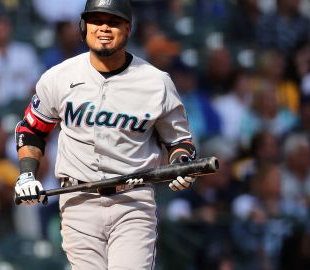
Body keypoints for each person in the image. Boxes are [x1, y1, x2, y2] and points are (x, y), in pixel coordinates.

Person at [13, 1, 197, 269]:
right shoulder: (60, 77)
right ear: (83, 26)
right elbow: (31, 129)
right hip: (78, 199)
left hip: (133, 201)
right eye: (97, 21)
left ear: (128, 29)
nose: (104, 28)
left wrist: (181, 163)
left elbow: (179, 142)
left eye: (113, 22)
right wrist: (28, 173)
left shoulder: (156, 82)